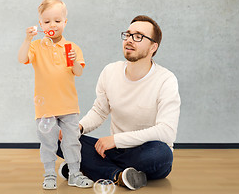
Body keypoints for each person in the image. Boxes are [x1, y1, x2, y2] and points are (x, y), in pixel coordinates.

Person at [57, 15, 181, 190]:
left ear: (154, 47)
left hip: (145, 152)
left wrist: (116, 140)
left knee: (161, 154)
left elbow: (166, 132)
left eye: (138, 36)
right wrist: (78, 128)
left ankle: (87, 169)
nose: (130, 40)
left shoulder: (166, 80)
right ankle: (118, 176)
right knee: (59, 137)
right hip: (113, 152)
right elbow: (99, 111)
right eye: (128, 35)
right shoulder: (110, 71)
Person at [18, 0, 93, 190]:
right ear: (41, 24)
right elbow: (21, 58)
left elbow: (78, 72)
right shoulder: (36, 47)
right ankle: (49, 174)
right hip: (45, 107)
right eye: (47, 21)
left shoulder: (71, 48)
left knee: (72, 143)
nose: (53, 25)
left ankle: (75, 173)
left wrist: (75, 61)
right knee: (48, 143)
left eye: (58, 21)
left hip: (69, 106)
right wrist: (28, 39)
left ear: (65, 22)